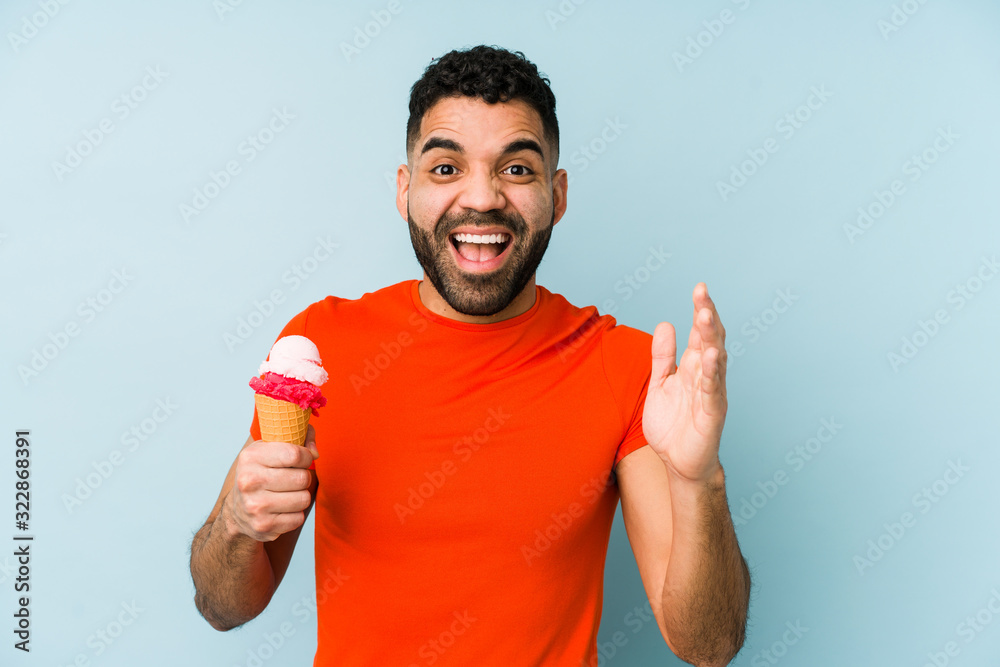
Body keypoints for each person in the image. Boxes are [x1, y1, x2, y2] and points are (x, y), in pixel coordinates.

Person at [189, 45, 750, 666]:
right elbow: (223, 606)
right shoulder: (320, 346)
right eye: (446, 168)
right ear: (405, 191)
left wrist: (700, 482)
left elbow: (708, 646)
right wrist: (238, 521)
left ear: (557, 196)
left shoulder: (625, 366)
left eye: (516, 169)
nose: (481, 199)